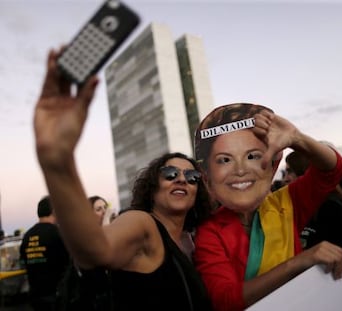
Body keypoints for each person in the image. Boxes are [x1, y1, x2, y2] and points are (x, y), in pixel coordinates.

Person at [33, 49, 212, 310]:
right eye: (170, 174)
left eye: (192, 176)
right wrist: (58, 164)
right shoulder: (141, 224)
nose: (182, 180)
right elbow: (97, 250)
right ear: (152, 187)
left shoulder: (192, 240)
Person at [193, 103, 342, 311]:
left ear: (273, 165)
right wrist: (298, 262)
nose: (240, 170)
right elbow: (225, 301)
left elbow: (333, 170)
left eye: (252, 156)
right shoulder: (209, 232)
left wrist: (296, 138)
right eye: (224, 160)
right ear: (207, 175)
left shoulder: (286, 203)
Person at [283, 151, 342, 249]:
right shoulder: (298, 206)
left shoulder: (332, 210)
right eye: (285, 173)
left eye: (290, 171)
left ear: (306, 173)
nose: (285, 179)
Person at [19, 196, 70, 311]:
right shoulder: (58, 233)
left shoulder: (27, 235)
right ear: (54, 211)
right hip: (56, 297)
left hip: (35, 297)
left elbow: (23, 261)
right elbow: (68, 263)